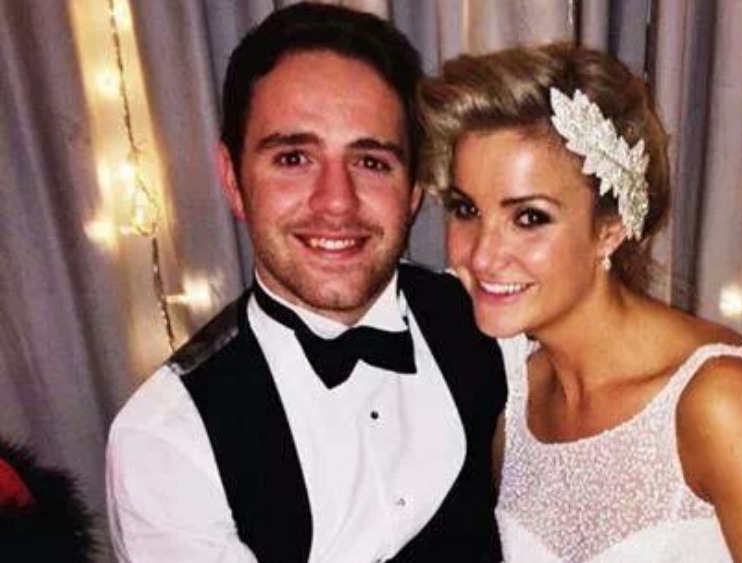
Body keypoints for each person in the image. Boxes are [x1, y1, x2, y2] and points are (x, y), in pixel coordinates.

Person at [106, 4, 505, 563]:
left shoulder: (491, 319)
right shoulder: (166, 440)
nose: (336, 202)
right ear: (234, 180)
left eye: (371, 162)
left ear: (414, 188)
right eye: (294, 158)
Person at [417, 42, 742, 562]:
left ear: (610, 230)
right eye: (465, 210)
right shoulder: (511, 392)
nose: (482, 254)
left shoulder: (717, 400)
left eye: (529, 218)